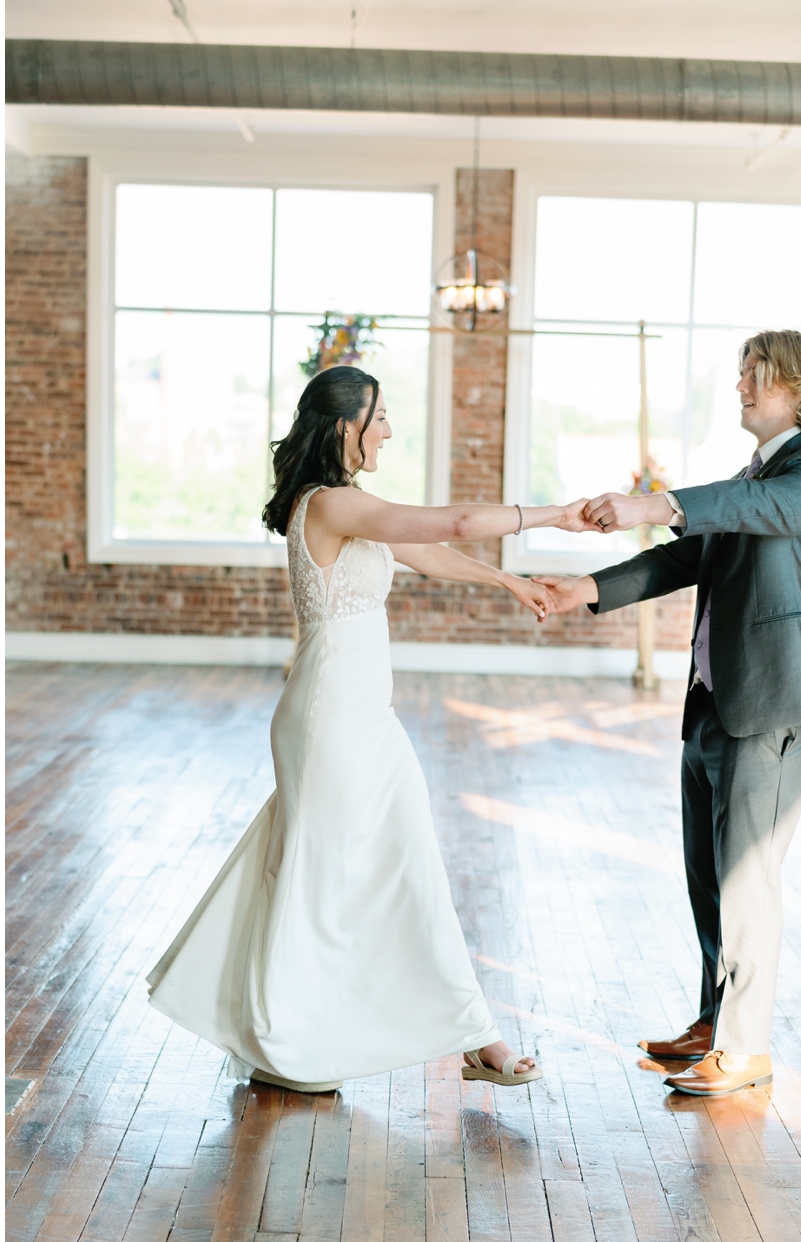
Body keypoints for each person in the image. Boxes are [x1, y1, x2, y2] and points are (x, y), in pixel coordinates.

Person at [148, 364, 598, 1093]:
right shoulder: (326, 504)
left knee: (411, 863)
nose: (389, 429)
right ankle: (287, 1040)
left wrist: (510, 582)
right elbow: (447, 521)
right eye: (379, 417)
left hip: (367, 720)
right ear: (343, 428)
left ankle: (476, 1035)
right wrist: (550, 516)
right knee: (318, 878)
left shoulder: (352, 505)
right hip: (326, 720)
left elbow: (434, 550)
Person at [538, 331, 801, 1097]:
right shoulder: (753, 475)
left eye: (756, 374)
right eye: (741, 372)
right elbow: (684, 558)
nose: (741, 385)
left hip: (773, 708)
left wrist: (652, 502)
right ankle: (716, 1023)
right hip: (715, 705)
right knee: (709, 881)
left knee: (748, 882)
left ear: (798, 385)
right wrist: (580, 590)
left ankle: (745, 1050)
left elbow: (752, 508)